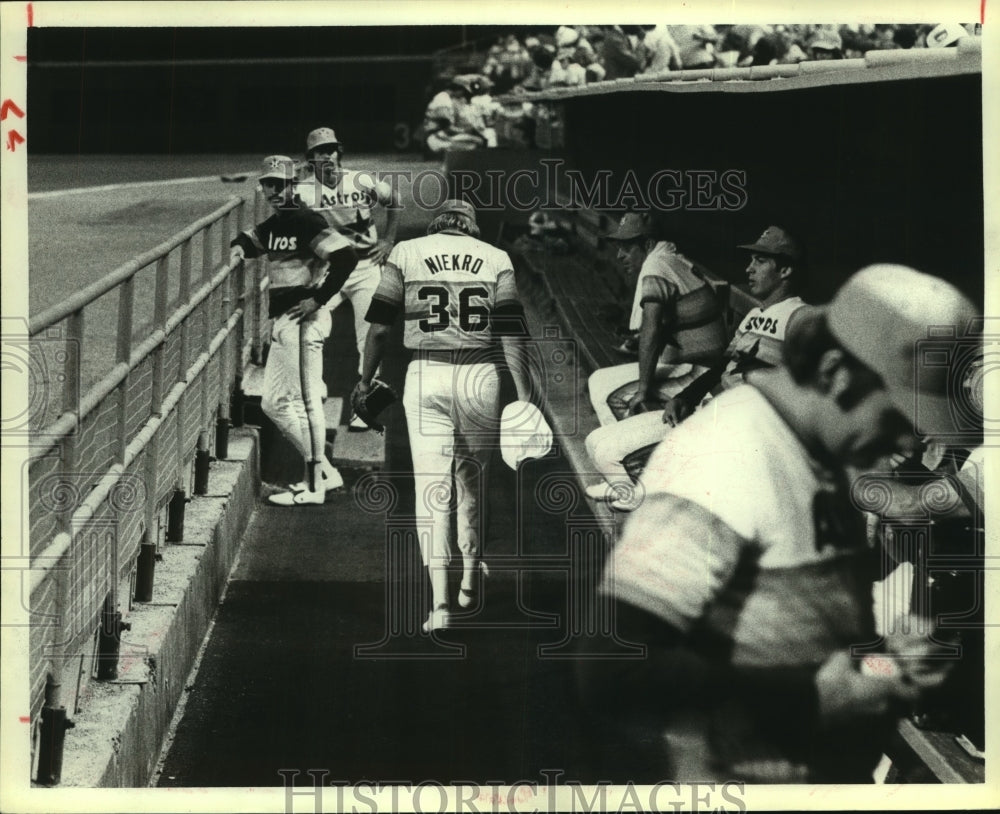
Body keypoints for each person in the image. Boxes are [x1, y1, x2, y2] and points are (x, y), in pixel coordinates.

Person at [577, 264, 978, 783]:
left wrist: (888, 667)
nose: (909, 446)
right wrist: (810, 690)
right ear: (835, 372)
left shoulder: (828, 457)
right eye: (901, 419)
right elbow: (615, 669)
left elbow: (812, 650)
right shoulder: (731, 452)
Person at [352, 200, 537, 633]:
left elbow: (379, 326)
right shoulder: (496, 257)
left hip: (427, 372)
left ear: (438, 225)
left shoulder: (407, 252)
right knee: (473, 480)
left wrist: (365, 380)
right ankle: (471, 580)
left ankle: (440, 605)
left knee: (430, 489)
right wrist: (524, 395)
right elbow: (511, 329)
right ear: (470, 228)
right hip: (479, 376)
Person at [584, 225, 806, 508]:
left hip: (734, 435)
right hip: (707, 412)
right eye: (751, 260)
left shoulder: (800, 318)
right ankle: (641, 485)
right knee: (594, 442)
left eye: (760, 261)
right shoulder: (753, 315)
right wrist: (685, 398)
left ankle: (646, 493)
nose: (749, 269)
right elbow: (722, 367)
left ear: (785, 271)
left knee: (608, 454)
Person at [231, 156, 358, 505]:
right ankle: (325, 472)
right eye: (267, 184)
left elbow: (347, 258)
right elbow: (250, 240)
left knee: (305, 404)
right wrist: (239, 248)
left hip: (303, 323)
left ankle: (315, 485)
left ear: (292, 185)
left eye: (279, 184)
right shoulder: (277, 224)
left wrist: (318, 299)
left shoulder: (305, 220)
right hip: (285, 324)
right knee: (274, 404)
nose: (272, 190)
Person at [295, 126, 401, 428]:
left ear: (339, 152)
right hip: (328, 270)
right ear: (310, 159)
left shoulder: (361, 180)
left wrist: (389, 240)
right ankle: (315, 394)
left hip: (366, 267)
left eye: (330, 149)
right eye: (319, 152)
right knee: (312, 329)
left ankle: (364, 406)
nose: (327, 155)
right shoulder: (302, 191)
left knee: (368, 337)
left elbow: (394, 199)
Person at [586, 212, 727, 427]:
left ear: (648, 243)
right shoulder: (666, 257)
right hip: (694, 365)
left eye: (627, 247)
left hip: (701, 374)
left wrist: (644, 389)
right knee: (598, 379)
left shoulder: (655, 265)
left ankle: (640, 453)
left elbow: (651, 330)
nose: (619, 256)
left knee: (619, 397)